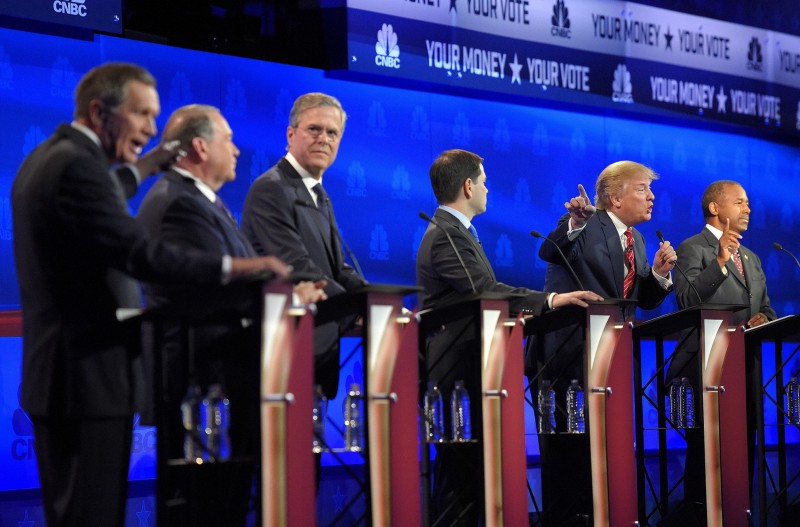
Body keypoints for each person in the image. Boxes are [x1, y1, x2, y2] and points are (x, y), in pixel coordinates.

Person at [11, 62, 290, 527]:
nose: (151, 128)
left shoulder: (51, 158)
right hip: (87, 381)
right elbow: (141, 255)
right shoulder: (78, 167)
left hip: (67, 379)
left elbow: (108, 192)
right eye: (142, 114)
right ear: (100, 113)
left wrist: (147, 165)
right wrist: (243, 266)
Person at [136, 104, 326, 524]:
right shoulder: (177, 203)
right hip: (202, 388)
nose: (237, 151)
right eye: (228, 140)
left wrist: (289, 294)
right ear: (201, 147)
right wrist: (287, 296)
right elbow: (207, 290)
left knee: (229, 504)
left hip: (227, 381)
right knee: (207, 508)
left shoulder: (205, 201)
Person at [416, 149, 602, 526]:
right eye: (484, 182)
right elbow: (482, 290)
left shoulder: (459, 232)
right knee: (460, 476)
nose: (488, 189)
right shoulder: (445, 235)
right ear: (468, 186)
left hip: (475, 368)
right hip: (456, 373)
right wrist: (552, 299)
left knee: (471, 475)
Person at [528, 160, 676, 526]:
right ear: (614, 197)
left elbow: (637, 300)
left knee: (602, 454)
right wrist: (576, 223)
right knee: (568, 454)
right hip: (564, 360)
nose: (651, 196)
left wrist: (657, 273)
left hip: (610, 361)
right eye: (642, 188)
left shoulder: (636, 239)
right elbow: (549, 251)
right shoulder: (585, 222)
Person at [662, 180, 776, 526]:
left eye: (748, 203)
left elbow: (767, 307)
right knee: (707, 457)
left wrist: (764, 319)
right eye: (740, 202)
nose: (748, 210)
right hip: (707, 371)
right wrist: (721, 261)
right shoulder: (692, 248)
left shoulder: (752, 258)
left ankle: (741, 514)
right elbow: (687, 302)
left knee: (744, 453)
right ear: (715, 208)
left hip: (746, 368)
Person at [241, 92, 367, 401]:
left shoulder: (319, 194)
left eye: (332, 133)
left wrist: (374, 301)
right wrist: (357, 310)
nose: (324, 139)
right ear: (291, 134)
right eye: (315, 129)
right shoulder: (271, 188)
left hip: (319, 346)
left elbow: (338, 268)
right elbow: (296, 266)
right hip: (284, 347)